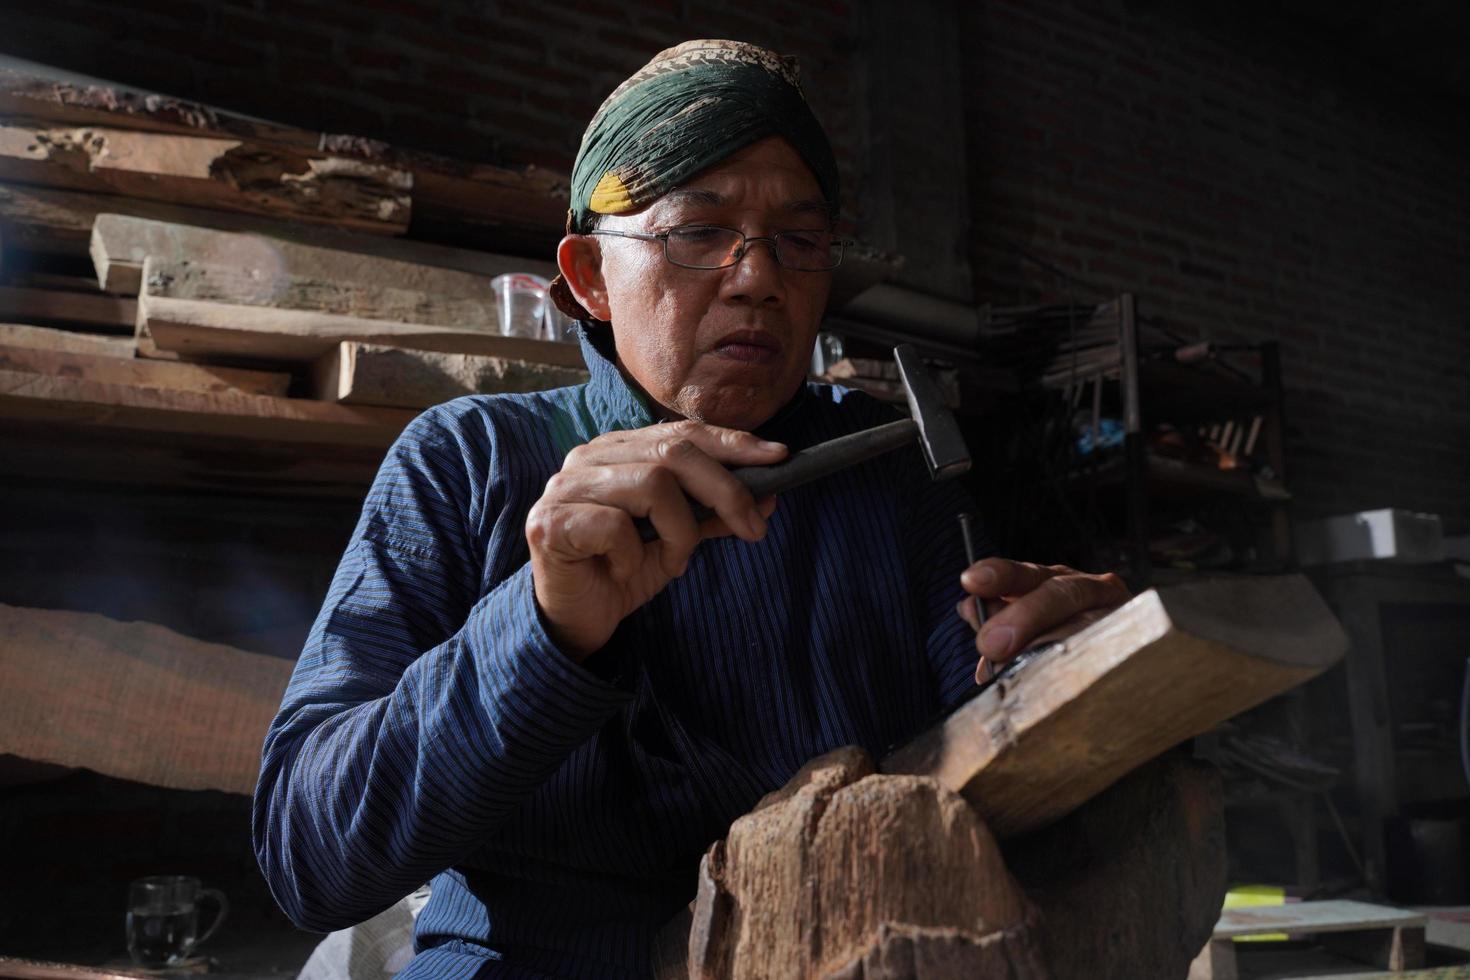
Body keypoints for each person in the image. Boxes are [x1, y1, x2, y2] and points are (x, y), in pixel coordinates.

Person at [253, 39, 1127, 980]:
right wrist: (539, 632)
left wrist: (1084, 682)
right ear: (589, 275)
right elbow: (310, 860)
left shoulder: (886, 470)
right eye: (697, 234)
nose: (758, 278)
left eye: (799, 241)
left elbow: (1003, 765)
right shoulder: (466, 461)